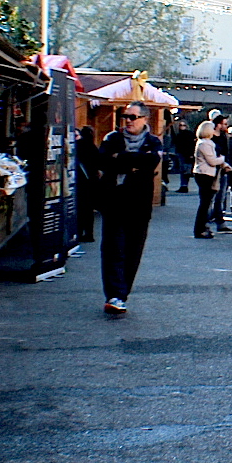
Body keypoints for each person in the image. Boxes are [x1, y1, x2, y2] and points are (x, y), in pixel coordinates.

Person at [97, 106, 163, 315]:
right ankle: (114, 295)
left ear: (145, 119)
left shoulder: (153, 142)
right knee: (112, 249)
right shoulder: (112, 138)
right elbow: (103, 161)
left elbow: (152, 161)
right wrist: (131, 162)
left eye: (133, 117)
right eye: (125, 116)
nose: (128, 121)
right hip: (114, 202)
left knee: (133, 251)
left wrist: (121, 158)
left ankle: (122, 294)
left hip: (139, 205)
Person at [190, 121, 223, 238]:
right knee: (204, 204)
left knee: (206, 203)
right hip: (205, 174)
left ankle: (203, 227)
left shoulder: (205, 143)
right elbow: (212, 161)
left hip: (205, 173)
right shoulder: (205, 144)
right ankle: (199, 229)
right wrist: (222, 159)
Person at [72, 125, 99, 252]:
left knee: (80, 208)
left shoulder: (79, 145)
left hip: (81, 181)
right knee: (88, 209)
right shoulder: (93, 147)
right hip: (91, 181)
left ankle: (79, 231)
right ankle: (89, 233)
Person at [171, 118, 196, 193]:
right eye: (180, 125)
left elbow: (192, 145)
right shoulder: (178, 134)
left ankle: (184, 186)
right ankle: (184, 186)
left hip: (186, 154)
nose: (182, 127)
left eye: (183, 125)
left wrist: (191, 154)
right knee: (184, 170)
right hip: (181, 154)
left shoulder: (189, 134)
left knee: (185, 170)